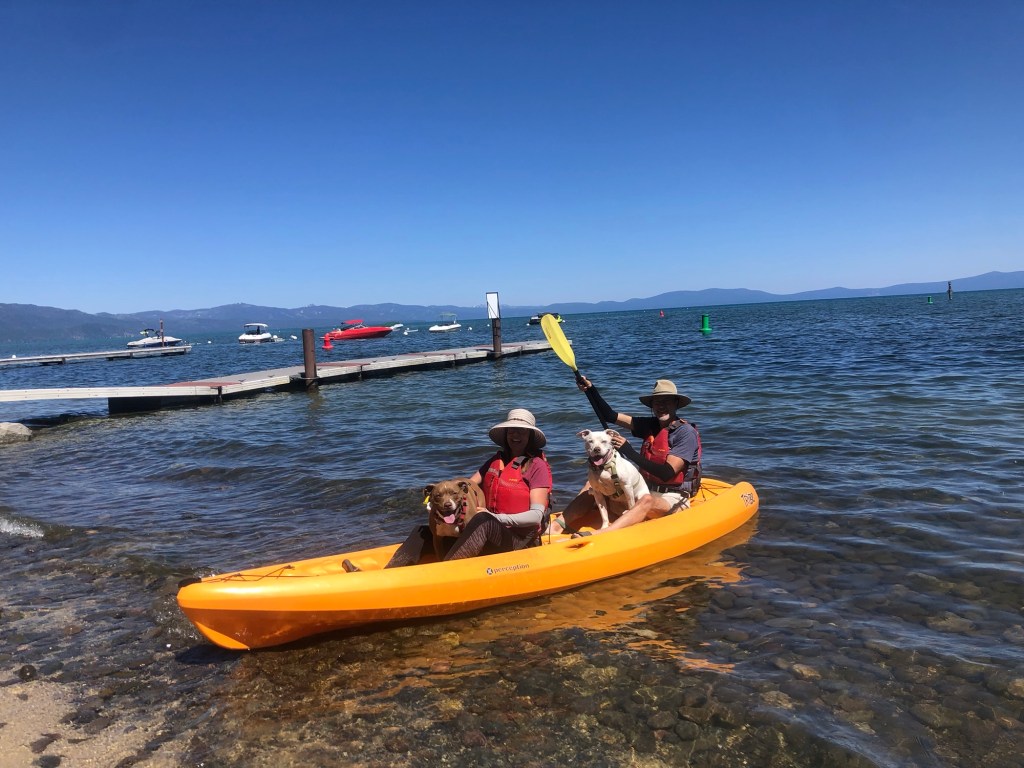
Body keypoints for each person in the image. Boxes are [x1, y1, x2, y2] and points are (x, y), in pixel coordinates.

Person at [378, 408, 552, 568]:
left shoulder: (537, 466)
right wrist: (439, 504)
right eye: (512, 430)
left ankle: (445, 574)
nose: (516, 435)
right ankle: (387, 574)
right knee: (424, 531)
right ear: (506, 434)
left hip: (517, 541)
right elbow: (466, 487)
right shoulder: (496, 460)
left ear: (530, 436)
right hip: (486, 532)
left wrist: (496, 518)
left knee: (483, 520)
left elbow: (536, 516)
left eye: (521, 431)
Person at [551, 377, 701, 537]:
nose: (661, 406)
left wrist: (628, 451)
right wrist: (591, 389)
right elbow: (610, 416)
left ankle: (603, 533)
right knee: (592, 486)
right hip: (644, 490)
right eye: (657, 402)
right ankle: (554, 528)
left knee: (646, 500)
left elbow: (667, 473)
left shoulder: (685, 433)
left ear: (676, 404)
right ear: (652, 406)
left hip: (673, 498)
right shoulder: (650, 425)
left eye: (667, 401)